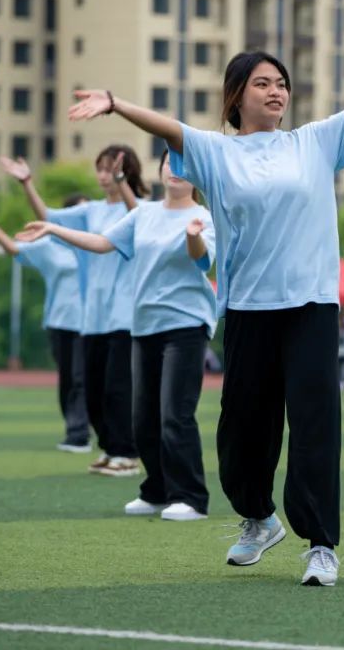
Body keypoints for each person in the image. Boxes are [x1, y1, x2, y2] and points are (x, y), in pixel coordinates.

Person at [68, 48, 344, 586]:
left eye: (282, 84)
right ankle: (259, 519)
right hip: (246, 309)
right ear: (237, 95)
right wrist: (115, 105)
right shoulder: (215, 152)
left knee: (315, 426)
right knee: (241, 431)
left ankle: (321, 545)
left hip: (311, 304)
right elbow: (170, 129)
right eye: (263, 83)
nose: (276, 92)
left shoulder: (314, 141)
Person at [18, 150, 216, 522]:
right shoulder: (144, 214)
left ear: (199, 177)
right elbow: (102, 243)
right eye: (170, 163)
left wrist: (193, 238)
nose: (176, 171)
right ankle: (156, 490)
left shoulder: (204, 217)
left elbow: (203, 260)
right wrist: (53, 228)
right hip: (144, 325)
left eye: (186, 166)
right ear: (159, 170)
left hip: (187, 325)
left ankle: (190, 496)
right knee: (143, 417)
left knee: (176, 413)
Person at [2, 150, 146, 476]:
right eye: (101, 170)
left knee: (117, 388)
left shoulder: (142, 209)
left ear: (127, 172)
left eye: (111, 170)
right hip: (91, 315)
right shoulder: (90, 211)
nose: (103, 176)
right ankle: (111, 448)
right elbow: (49, 217)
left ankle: (127, 453)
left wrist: (125, 186)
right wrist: (27, 184)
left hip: (125, 314)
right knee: (93, 391)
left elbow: (139, 218)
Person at [0, 201, 90, 452]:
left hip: (92, 323)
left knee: (82, 378)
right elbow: (13, 249)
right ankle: (74, 424)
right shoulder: (49, 247)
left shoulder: (96, 245)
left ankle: (79, 434)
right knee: (68, 379)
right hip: (58, 321)